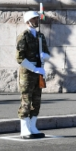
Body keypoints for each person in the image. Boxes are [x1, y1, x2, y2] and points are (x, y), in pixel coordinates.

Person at [17, 10, 50, 139]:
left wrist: (44, 56)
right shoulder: (23, 36)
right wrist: (34, 69)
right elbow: (20, 58)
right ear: (28, 21)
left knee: (36, 101)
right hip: (27, 74)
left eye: (37, 18)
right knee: (26, 101)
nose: (36, 21)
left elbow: (47, 53)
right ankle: (24, 129)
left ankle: (33, 127)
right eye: (34, 19)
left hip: (39, 72)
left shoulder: (40, 36)